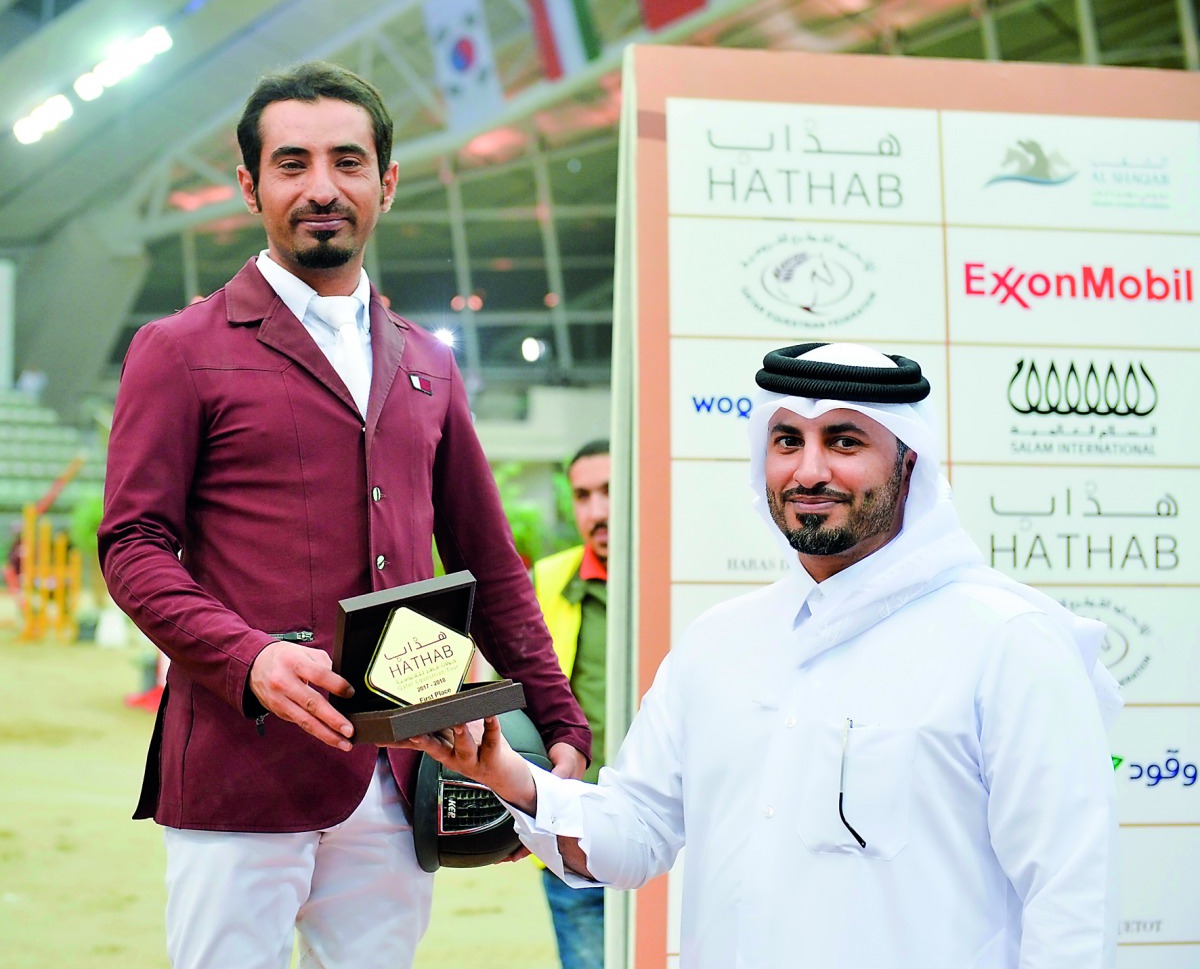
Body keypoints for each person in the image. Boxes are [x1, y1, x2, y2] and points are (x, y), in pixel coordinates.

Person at [408, 342, 1123, 969]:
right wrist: (504, 772)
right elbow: (636, 833)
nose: (809, 470)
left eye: (844, 441)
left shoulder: (1008, 640)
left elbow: (1070, 896)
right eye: (787, 441)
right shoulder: (720, 642)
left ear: (907, 463)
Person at [98, 61, 589, 969]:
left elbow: (490, 557)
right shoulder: (179, 350)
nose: (322, 187)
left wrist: (560, 719)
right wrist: (246, 657)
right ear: (250, 186)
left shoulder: (429, 364)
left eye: (347, 162)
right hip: (239, 773)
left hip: (405, 769)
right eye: (292, 164)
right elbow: (132, 545)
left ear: (386, 182)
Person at [531, 439, 610, 969]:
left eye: (609, 492)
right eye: (583, 496)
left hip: (669, 828)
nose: (597, 512)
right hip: (577, 830)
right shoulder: (548, 578)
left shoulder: (673, 582)